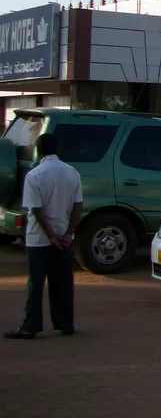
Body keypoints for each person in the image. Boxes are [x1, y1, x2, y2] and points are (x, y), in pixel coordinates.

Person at [4, 133, 83, 339]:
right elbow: (77, 205)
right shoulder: (72, 173)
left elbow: (36, 210)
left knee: (36, 284)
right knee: (63, 283)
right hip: (64, 238)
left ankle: (31, 325)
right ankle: (65, 323)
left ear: (38, 151)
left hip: (39, 239)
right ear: (57, 149)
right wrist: (67, 233)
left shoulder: (34, 175)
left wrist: (50, 237)